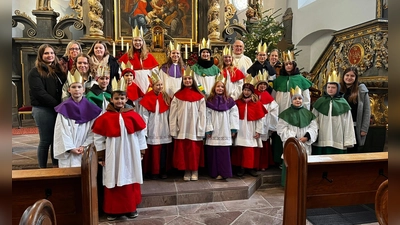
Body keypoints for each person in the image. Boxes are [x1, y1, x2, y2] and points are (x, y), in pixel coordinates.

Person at [92, 90, 147, 221]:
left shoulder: (133, 115)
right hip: (113, 153)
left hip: (130, 152)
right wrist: (101, 155)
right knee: (113, 178)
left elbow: (140, 134)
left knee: (130, 176)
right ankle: (113, 210)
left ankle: (130, 208)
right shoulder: (104, 117)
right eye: (116, 99)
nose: (119, 101)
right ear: (111, 100)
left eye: (122, 98)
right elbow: (98, 138)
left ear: (126, 99)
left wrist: (141, 151)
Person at [28, 44, 67, 168]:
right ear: (40, 55)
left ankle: (56, 166)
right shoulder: (35, 72)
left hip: (57, 108)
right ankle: (42, 169)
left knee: (56, 139)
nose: (49, 55)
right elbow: (39, 93)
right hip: (43, 108)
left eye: (51, 53)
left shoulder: (58, 70)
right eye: (46, 53)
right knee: (45, 141)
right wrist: (58, 105)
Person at [53, 73, 101, 168]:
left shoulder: (92, 109)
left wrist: (84, 146)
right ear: (69, 90)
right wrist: (70, 148)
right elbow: (61, 131)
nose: (76, 89)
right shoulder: (64, 108)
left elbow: (94, 130)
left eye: (79, 87)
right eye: (73, 87)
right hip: (69, 150)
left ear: (83, 90)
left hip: (85, 148)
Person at [169, 67, 206, 181]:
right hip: (182, 127)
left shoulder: (200, 96)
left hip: (194, 127)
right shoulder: (177, 95)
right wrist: (173, 128)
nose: (187, 81)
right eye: (185, 79)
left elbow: (203, 114)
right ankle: (186, 170)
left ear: (193, 80)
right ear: (182, 81)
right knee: (184, 150)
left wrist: (201, 129)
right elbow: (173, 114)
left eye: (190, 79)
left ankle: (194, 170)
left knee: (194, 151)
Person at [277, 86, 318, 186]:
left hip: (305, 143)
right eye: (295, 98)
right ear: (291, 100)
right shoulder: (285, 114)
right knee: (291, 161)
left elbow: (314, 128)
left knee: (304, 160)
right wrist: (293, 138)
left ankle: (303, 183)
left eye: (299, 98)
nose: (297, 100)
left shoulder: (309, 114)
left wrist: (307, 137)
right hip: (291, 142)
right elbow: (281, 129)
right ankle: (289, 184)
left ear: (303, 100)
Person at [231, 76, 268, 177]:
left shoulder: (257, 103)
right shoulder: (237, 103)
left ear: (252, 92)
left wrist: (259, 130)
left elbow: (261, 118)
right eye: (245, 90)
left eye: (248, 90)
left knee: (250, 150)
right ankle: (241, 168)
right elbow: (233, 116)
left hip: (252, 128)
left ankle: (250, 168)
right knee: (240, 149)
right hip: (240, 128)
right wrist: (233, 129)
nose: (246, 92)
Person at [312, 71, 356, 154]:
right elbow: (314, 119)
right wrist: (314, 133)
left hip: (337, 137)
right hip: (322, 137)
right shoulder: (320, 101)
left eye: (333, 87)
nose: (330, 89)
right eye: (328, 87)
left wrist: (348, 140)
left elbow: (348, 123)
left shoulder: (343, 103)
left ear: (338, 89)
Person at [138, 73, 172, 179]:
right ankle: (153, 171)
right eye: (157, 85)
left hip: (164, 127)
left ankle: (163, 170)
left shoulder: (166, 97)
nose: (160, 87)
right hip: (153, 127)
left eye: (161, 85)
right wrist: (144, 130)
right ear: (152, 86)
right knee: (153, 150)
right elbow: (143, 116)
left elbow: (170, 113)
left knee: (163, 151)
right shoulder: (147, 98)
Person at [205, 78, 239, 179]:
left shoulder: (229, 100)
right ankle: (214, 173)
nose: (220, 88)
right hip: (214, 130)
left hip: (225, 129)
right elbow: (207, 116)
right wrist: (208, 128)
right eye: (218, 86)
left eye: (222, 86)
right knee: (214, 152)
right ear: (214, 88)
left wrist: (233, 128)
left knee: (224, 152)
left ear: (225, 88)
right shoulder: (210, 101)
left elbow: (234, 115)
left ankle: (224, 173)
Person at [118, 26, 159, 95]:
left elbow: (155, 72)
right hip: (133, 81)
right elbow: (121, 71)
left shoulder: (149, 56)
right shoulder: (127, 56)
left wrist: (153, 82)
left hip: (145, 82)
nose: (137, 42)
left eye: (139, 40)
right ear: (132, 42)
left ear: (143, 42)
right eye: (135, 40)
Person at [340, 67, 371, 153]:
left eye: (352, 76)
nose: (349, 78)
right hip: (340, 126)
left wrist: (364, 128)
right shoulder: (338, 89)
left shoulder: (361, 90)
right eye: (347, 75)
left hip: (355, 126)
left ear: (355, 78)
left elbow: (367, 110)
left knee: (352, 152)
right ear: (343, 76)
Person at [253, 71, 279, 170]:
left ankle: (262, 164)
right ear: (257, 85)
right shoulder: (253, 95)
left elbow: (274, 109)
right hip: (254, 122)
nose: (263, 86)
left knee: (264, 143)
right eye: (261, 84)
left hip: (265, 123)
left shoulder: (268, 97)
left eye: (264, 84)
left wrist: (272, 125)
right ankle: (254, 165)